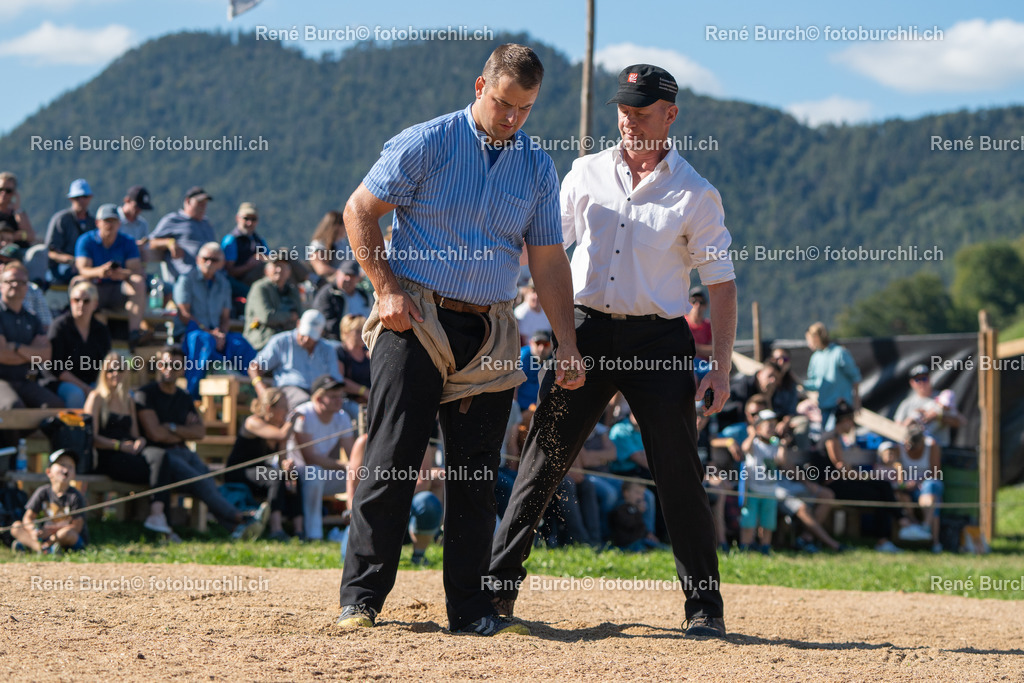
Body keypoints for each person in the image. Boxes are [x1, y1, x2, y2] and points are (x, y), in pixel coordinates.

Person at [336, 43, 583, 637]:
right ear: (480, 87)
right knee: (393, 457)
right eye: (503, 103)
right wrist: (385, 289)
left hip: (491, 327)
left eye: (524, 109)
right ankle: (362, 599)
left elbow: (548, 263)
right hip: (415, 314)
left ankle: (471, 609)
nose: (511, 118)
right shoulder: (428, 141)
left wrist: (568, 341)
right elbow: (359, 211)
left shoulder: (537, 166)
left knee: (476, 473)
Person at [489, 63, 737, 639]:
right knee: (541, 462)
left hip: (660, 341)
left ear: (670, 115)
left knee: (679, 476)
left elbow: (721, 286)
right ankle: (496, 592)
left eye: (642, 111)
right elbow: (547, 249)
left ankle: (704, 609)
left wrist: (719, 367)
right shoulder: (584, 173)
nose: (628, 121)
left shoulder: (697, 193)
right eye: (623, 110)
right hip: (586, 333)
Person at [136, 345, 268, 539]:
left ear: (182, 369)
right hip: (160, 456)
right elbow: (155, 434)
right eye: (164, 364)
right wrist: (183, 432)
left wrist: (171, 427)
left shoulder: (184, 397)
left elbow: (199, 432)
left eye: (175, 365)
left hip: (183, 451)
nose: (169, 369)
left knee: (209, 480)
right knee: (201, 482)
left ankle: (235, 529)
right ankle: (240, 518)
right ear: (158, 365)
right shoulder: (146, 394)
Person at [85, 351, 173, 537]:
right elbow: (90, 438)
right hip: (108, 456)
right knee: (163, 473)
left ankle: (157, 516)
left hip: (129, 452)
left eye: (120, 369)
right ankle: (160, 522)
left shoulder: (128, 400)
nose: (115, 373)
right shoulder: (96, 398)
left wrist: (139, 441)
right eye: (110, 370)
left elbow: (134, 434)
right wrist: (118, 446)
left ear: (127, 372)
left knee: (160, 456)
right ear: (104, 373)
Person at [173, 242, 256, 396]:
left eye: (214, 260)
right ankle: (191, 395)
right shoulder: (186, 280)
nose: (209, 263)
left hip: (216, 335)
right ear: (198, 259)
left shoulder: (224, 284)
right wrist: (210, 333)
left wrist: (222, 334)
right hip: (190, 333)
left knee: (240, 343)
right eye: (205, 258)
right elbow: (184, 314)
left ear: (222, 263)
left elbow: (225, 317)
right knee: (203, 341)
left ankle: (247, 394)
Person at [821, 400, 903, 553]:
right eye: (851, 421)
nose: (852, 425)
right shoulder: (831, 438)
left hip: (842, 482)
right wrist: (864, 477)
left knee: (883, 486)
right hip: (833, 485)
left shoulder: (836, 437)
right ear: (845, 420)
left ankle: (900, 524)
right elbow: (840, 467)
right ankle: (891, 532)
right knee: (879, 494)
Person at [224, 387, 302, 541]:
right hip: (239, 472)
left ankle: (299, 531)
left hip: (260, 473)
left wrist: (288, 467)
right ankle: (276, 529)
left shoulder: (279, 429)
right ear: (269, 408)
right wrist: (293, 420)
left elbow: (281, 460)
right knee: (276, 476)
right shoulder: (252, 422)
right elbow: (282, 435)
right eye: (284, 408)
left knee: (291, 476)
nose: (287, 412)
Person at [288, 375, 356, 541]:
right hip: (295, 473)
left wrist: (354, 469)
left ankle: (356, 532)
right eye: (333, 396)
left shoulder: (342, 416)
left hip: (323, 472)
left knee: (361, 475)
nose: (339, 400)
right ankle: (313, 534)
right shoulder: (303, 414)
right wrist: (348, 466)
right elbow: (309, 458)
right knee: (315, 473)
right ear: (318, 398)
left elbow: (353, 456)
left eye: (340, 396)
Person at [0, 262, 62, 440]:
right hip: (1, 379)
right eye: (10, 281)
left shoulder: (32, 318)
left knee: (55, 406)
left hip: (23, 379)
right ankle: (9, 458)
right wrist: (29, 353)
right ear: (1, 284)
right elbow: (1, 354)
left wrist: (16, 347)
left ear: (27, 287)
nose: (15, 285)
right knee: (13, 408)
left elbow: (45, 355)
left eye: (21, 282)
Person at [74, 203, 148, 348]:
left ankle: (134, 333)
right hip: (95, 288)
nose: (110, 225)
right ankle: (77, 331)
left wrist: (122, 274)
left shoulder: (128, 241)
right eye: (106, 221)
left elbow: (136, 270)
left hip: (118, 289)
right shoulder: (86, 240)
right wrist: (100, 271)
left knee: (138, 282)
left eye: (113, 221)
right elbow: (82, 269)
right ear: (98, 223)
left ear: (119, 224)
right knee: (79, 282)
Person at [250, 309, 342, 410]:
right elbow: (255, 366)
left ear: (321, 333)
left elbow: (335, 379)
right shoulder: (281, 341)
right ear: (298, 324)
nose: (306, 339)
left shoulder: (328, 349)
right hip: (289, 391)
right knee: (306, 406)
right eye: (304, 334)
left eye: (311, 336)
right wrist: (261, 390)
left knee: (342, 410)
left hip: (321, 393)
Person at [10, 449, 88, 553]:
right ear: (48, 472)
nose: (66, 469)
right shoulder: (42, 492)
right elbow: (28, 518)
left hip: (65, 536)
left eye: (71, 466)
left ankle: (37, 547)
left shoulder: (76, 496)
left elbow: (77, 527)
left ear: (74, 474)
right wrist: (33, 530)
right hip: (44, 535)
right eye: (62, 465)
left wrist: (51, 532)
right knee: (16, 526)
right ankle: (41, 549)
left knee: (67, 533)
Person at [48, 280, 111, 408]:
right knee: (76, 395)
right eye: (76, 300)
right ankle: (77, 428)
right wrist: (85, 388)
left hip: (91, 382)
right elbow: (56, 369)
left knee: (116, 393)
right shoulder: (59, 326)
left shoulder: (101, 330)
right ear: (71, 302)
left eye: (86, 301)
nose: (81, 304)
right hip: (61, 382)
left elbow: (105, 363)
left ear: (95, 304)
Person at [148, 186, 217, 285]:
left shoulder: (207, 223)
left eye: (205, 204)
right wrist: (169, 242)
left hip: (213, 275)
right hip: (187, 276)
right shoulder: (174, 220)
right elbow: (151, 242)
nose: (203, 207)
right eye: (199, 203)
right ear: (188, 201)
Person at [804, 322, 861, 431]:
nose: (808, 343)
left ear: (815, 337)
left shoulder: (839, 353)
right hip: (825, 407)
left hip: (841, 408)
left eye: (808, 339)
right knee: (827, 438)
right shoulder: (815, 358)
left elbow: (855, 377)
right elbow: (816, 383)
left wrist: (856, 401)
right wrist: (800, 384)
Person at [739, 409, 781, 554]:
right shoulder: (755, 444)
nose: (771, 428)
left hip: (770, 490)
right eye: (768, 425)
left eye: (773, 425)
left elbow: (782, 461)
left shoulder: (776, 444)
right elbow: (744, 448)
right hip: (753, 489)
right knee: (749, 520)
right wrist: (752, 434)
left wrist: (783, 445)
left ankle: (765, 546)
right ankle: (745, 546)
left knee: (768, 522)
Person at [893, 364, 964, 448]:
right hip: (916, 450)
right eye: (917, 380)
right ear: (912, 383)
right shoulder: (906, 404)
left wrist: (938, 416)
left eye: (924, 378)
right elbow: (897, 429)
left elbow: (960, 422)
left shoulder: (942, 399)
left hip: (942, 449)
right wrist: (914, 421)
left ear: (930, 379)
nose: (922, 382)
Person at [244, 254, 303, 350]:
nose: (279, 270)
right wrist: (290, 316)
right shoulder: (260, 288)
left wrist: (281, 317)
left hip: (288, 340)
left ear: (289, 272)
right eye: (276, 266)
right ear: (266, 270)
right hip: (263, 340)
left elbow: (299, 316)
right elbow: (267, 317)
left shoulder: (292, 290)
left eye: (283, 267)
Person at [45, 178, 94, 284]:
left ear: (90, 198)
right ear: (71, 199)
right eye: (77, 198)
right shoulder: (61, 220)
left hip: (87, 267)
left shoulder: (93, 223)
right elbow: (51, 252)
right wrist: (72, 261)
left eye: (84, 197)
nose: (81, 201)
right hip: (63, 268)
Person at [312, 260, 372, 340]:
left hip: (364, 342)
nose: (348, 279)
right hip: (337, 343)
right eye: (346, 274)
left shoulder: (364, 296)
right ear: (338, 274)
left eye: (352, 275)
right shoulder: (328, 294)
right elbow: (326, 325)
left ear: (358, 278)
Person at [221, 202, 269, 298]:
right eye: (246, 218)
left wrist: (262, 259)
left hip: (258, 279)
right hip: (239, 282)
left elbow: (270, 257)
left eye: (253, 219)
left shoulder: (259, 240)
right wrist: (248, 266)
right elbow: (228, 272)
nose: (249, 223)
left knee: (284, 258)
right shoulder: (231, 240)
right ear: (237, 218)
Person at [336, 314, 370, 419]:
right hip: (349, 401)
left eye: (363, 329)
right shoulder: (340, 352)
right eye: (357, 331)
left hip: (370, 398)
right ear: (346, 333)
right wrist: (363, 391)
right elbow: (340, 380)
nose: (362, 334)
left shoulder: (367, 352)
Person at [307, 210, 351, 287]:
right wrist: (342, 273)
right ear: (337, 226)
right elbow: (320, 268)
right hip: (328, 284)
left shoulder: (342, 243)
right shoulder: (319, 244)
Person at [516, 329, 553, 411]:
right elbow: (514, 385)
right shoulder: (524, 356)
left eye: (546, 344)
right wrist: (515, 411)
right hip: (521, 408)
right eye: (538, 343)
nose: (541, 348)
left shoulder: (553, 359)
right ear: (531, 343)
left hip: (542, 407)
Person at [0, 171, 36, 246]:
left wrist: (17, 209)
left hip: (18, 251)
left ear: (14, 193)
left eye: (8, 191)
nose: (3, 193)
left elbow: (31, 236)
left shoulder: (18, 212)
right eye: (1, 189)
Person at [513, 279, 549, 345]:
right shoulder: (520, 313)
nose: (536, 296)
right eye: (533, 292)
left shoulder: (548, 312)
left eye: (539, 292)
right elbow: (522, 340)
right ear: (527, 293)